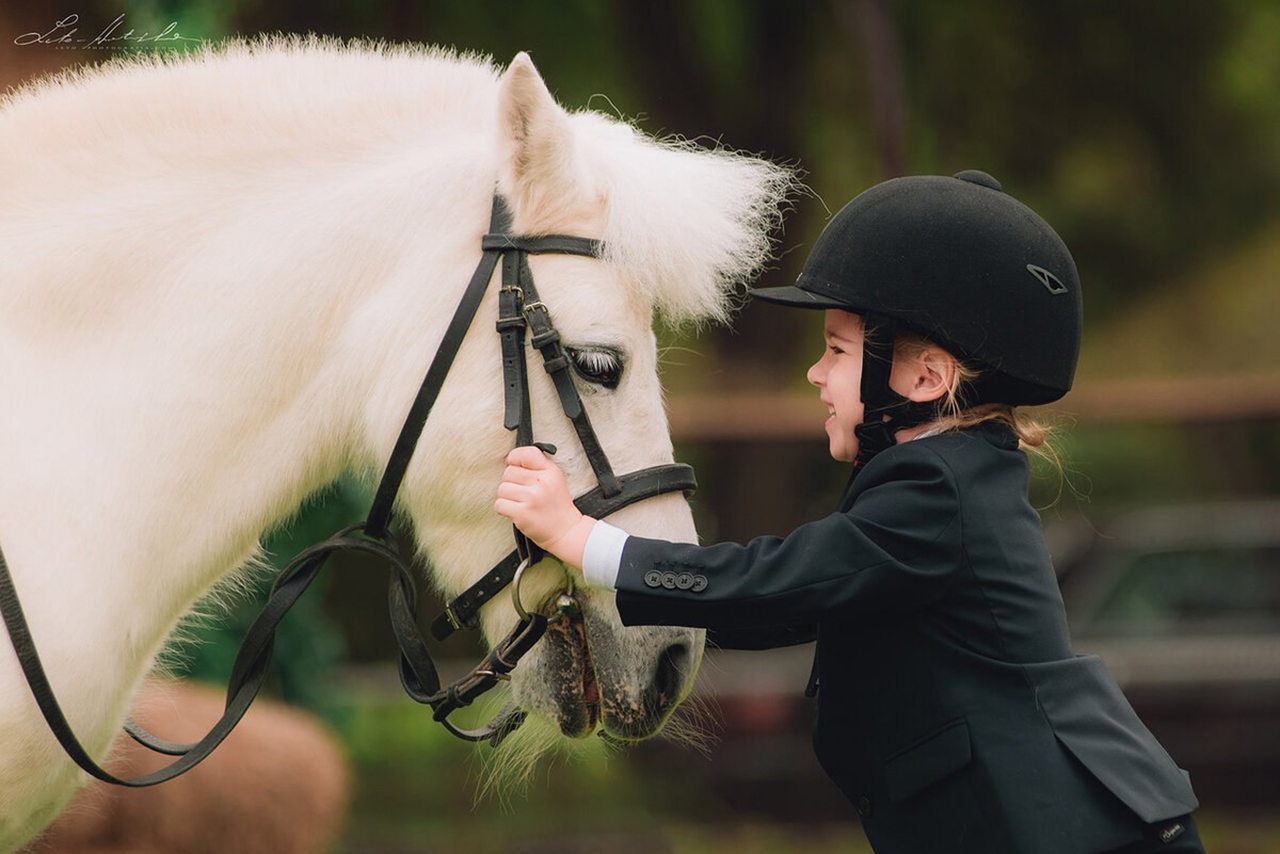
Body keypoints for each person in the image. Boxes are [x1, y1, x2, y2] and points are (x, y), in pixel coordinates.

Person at [494, 170, 1205, 854]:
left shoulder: (937, 489)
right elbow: (789, 609)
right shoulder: (947, 476)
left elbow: (780, 579)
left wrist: (585, 540)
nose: (815, 373)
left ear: (925, 378)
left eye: (836, 350)